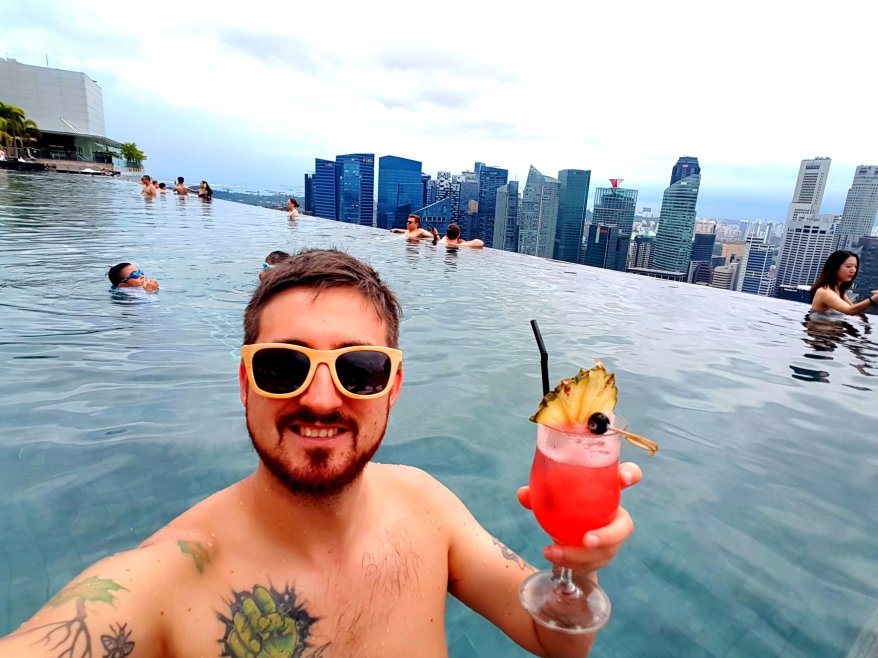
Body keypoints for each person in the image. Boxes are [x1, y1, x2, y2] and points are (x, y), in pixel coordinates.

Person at [1, 249, 641, 657]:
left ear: (393, 386)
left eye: (359, 369)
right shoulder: (163, 583)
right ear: (245, 382)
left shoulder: (427, 507)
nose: (322, 398)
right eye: (283, 365)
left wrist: (579, 570)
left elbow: (550, 640)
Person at [809, 250, 877, 320]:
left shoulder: (838, 291)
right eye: (848, 266)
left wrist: (863, 318)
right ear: (834, 268)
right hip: (818, 327)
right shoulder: (824, 292)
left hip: (831, 326)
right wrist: (873, 299)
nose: (853, 270)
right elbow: (850, 310)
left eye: (855, 266)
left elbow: (854, 309)